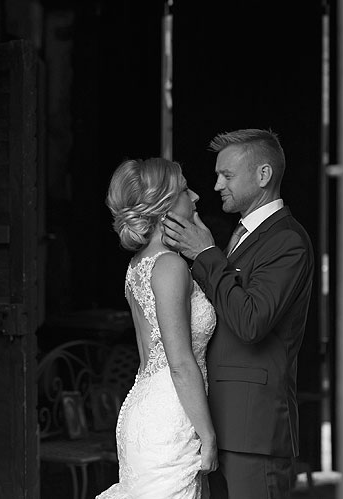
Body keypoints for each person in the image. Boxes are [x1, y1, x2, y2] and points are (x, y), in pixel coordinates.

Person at [161, 129, 315, 499]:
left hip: (255, 431)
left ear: (262, 176)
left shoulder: (287, 241)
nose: (216, 185)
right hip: (219, 422)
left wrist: (206, 254)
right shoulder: (241, 234)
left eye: (226, 175)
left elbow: (250, 322)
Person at [96, 158, 218, 499]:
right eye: (183, 190)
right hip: (171, 417)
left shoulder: (137, 266)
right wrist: (208, 436)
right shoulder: (170, 266)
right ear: (163, 208)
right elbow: (179, 364)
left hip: (147, 409)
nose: (195, 196)